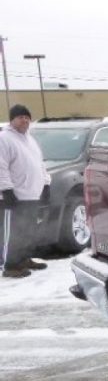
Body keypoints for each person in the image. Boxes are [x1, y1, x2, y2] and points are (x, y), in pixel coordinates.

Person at [0, 104, 51, 278]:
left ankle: (23, 259)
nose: (25, 120)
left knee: (27, 231)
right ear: (12, 119)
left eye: (27, 117)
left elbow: (40, 164)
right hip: (14, 196)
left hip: (31, 195)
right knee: (12, 233)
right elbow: (1, 167)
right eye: (20, 117)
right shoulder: (4, 138)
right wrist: (6, 190)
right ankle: (9, 265)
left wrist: (46, 185)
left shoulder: (30, 139)